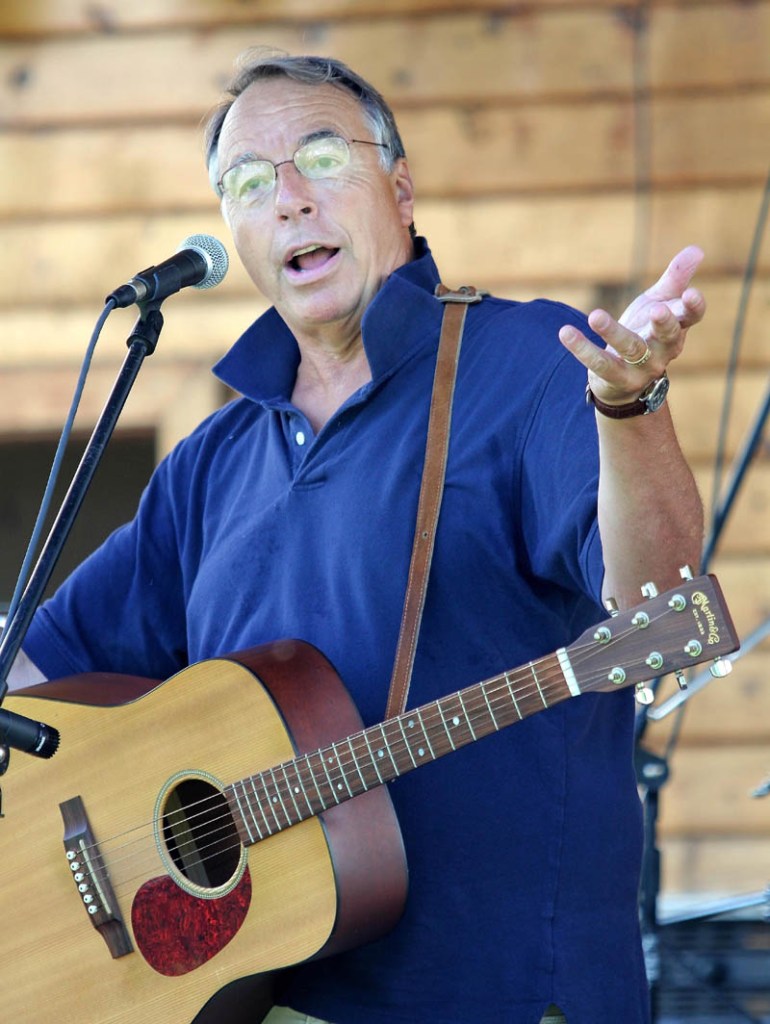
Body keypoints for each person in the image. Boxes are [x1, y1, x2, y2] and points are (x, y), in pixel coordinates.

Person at [8, 49, 704, 1024]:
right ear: (233, 232)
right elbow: (35, 680)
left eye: (322, 158)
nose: (287, 197)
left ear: (400, 187)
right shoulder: (213, 458)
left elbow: (660, 599)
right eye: (248, 183)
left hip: (492, 995)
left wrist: (627, 411)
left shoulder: (525, 366)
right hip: (258, 999)